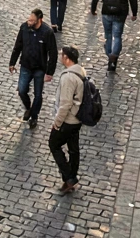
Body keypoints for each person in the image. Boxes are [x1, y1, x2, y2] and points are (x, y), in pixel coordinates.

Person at [9, 8, 57, 128]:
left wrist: (50, 72)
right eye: (29, 20)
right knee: (21, 90)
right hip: (25, 65)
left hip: (40, 68)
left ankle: (34, 116)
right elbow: (18, 45)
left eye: (32, 21)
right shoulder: (24, 28)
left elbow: (53, 53)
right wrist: (12, 62)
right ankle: (29, 108)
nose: (29, 22)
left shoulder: (47, 32)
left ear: (39, 20)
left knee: (38, 94)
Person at [89, 0, 139, 71]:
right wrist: (134, 12)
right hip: (120, 12)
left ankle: (109, 55)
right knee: (117, 35)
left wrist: (93, 8)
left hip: (107, 10)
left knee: (108, 35)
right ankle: (113, 57)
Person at [49, 46, 86, 194]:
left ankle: (69, 177)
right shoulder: (80, 71)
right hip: (77, 119)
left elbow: (65, 104)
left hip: (68, 120)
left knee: (54, 144)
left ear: (66, 58)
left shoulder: (68, 77)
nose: (60, 57)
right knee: (73, 149)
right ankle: (70, 178)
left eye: (61, 55)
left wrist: (57, 122)